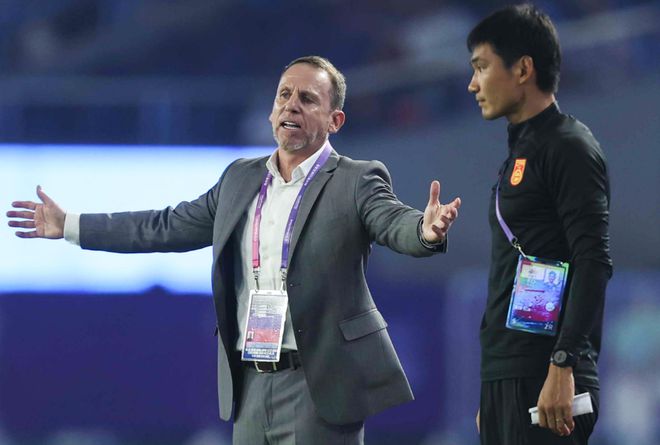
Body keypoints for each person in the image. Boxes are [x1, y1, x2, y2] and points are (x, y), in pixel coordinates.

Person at [7, 56, 461, 444]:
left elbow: (392, 222)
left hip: (318, 383)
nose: (291, 106)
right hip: (251, 381)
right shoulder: (240, 178)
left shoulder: (355, 179)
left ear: (334, 121)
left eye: (307, 99)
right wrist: (71, 225)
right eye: (284, 95)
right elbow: (164, 226)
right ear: (271, 111)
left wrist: (425, 230)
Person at [466, 5, 612, 445]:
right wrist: (496, 389)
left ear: (523, 68)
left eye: (482, 67)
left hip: (549, 378)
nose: (473, 84)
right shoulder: (521, 150)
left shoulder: (569, 145)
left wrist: (563, 363)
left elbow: (593, 260)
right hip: (509, 376)